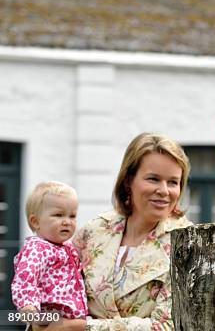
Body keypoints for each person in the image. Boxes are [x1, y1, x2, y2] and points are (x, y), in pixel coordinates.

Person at [55, 133, 192, 331]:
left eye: (173, 182)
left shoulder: (189, 245)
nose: (164, 190)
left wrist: (80, 328)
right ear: (129, 181)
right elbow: (54, 290)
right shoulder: (93, 232)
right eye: (153, 179)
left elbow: (169, 326)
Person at [12, 181, 87, 327]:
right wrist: (28, 306)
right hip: (52, 320)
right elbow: (26, 279)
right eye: (58, 215)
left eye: (72, 216)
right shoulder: (37, 249)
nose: (67, 222)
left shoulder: (68, 248)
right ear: (35, 222)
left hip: (75, 320)